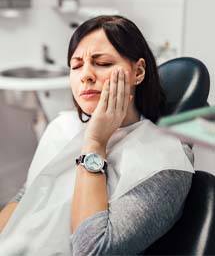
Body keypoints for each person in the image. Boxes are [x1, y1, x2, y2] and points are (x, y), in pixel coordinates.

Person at [0, 15, 194, 255]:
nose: (86, 75)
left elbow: (93, 250)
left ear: (138, 71)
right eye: (76, 65)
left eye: (102, 63)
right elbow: (28, 196)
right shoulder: (62, 126)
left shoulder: (166, 161)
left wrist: (95, 142)